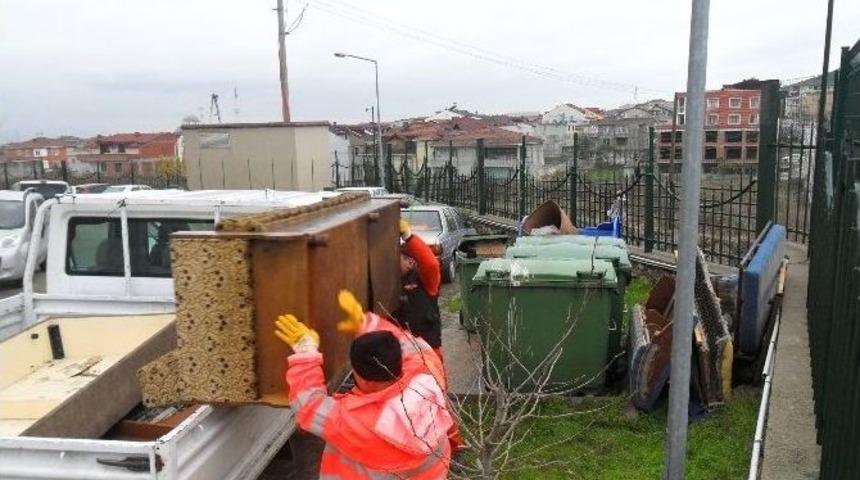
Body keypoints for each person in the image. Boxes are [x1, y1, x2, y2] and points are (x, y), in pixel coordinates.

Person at [275, 290, 453, 479]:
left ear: (361, 377)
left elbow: (308, 404)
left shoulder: (357, 422)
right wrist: (367, 324)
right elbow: (413, 346)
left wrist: (305, 350)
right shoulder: (428, 375)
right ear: (399, 361)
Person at [394, 219, 444, 361]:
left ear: (410, 261)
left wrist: (408, 237)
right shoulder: (390, 281)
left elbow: (431, 264)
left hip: (427, 351)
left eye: (397, 259)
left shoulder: (426, 281)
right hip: (401, 352)